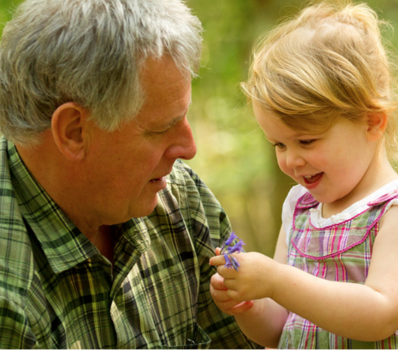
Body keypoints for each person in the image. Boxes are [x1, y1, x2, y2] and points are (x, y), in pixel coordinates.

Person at [0, 0, 260, 348]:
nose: (189, 148)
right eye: (160, 129)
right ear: (74, 130)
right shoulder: (9, 296)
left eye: (183, 117)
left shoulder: (180, 197)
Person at [209, 1, 398, 349]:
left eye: (306, 140)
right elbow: (280, 328)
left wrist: (277, 281)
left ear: (371, 121)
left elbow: (379, 314)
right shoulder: (299, 211)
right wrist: (250, 303)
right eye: (278, 144)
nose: (292, 160)